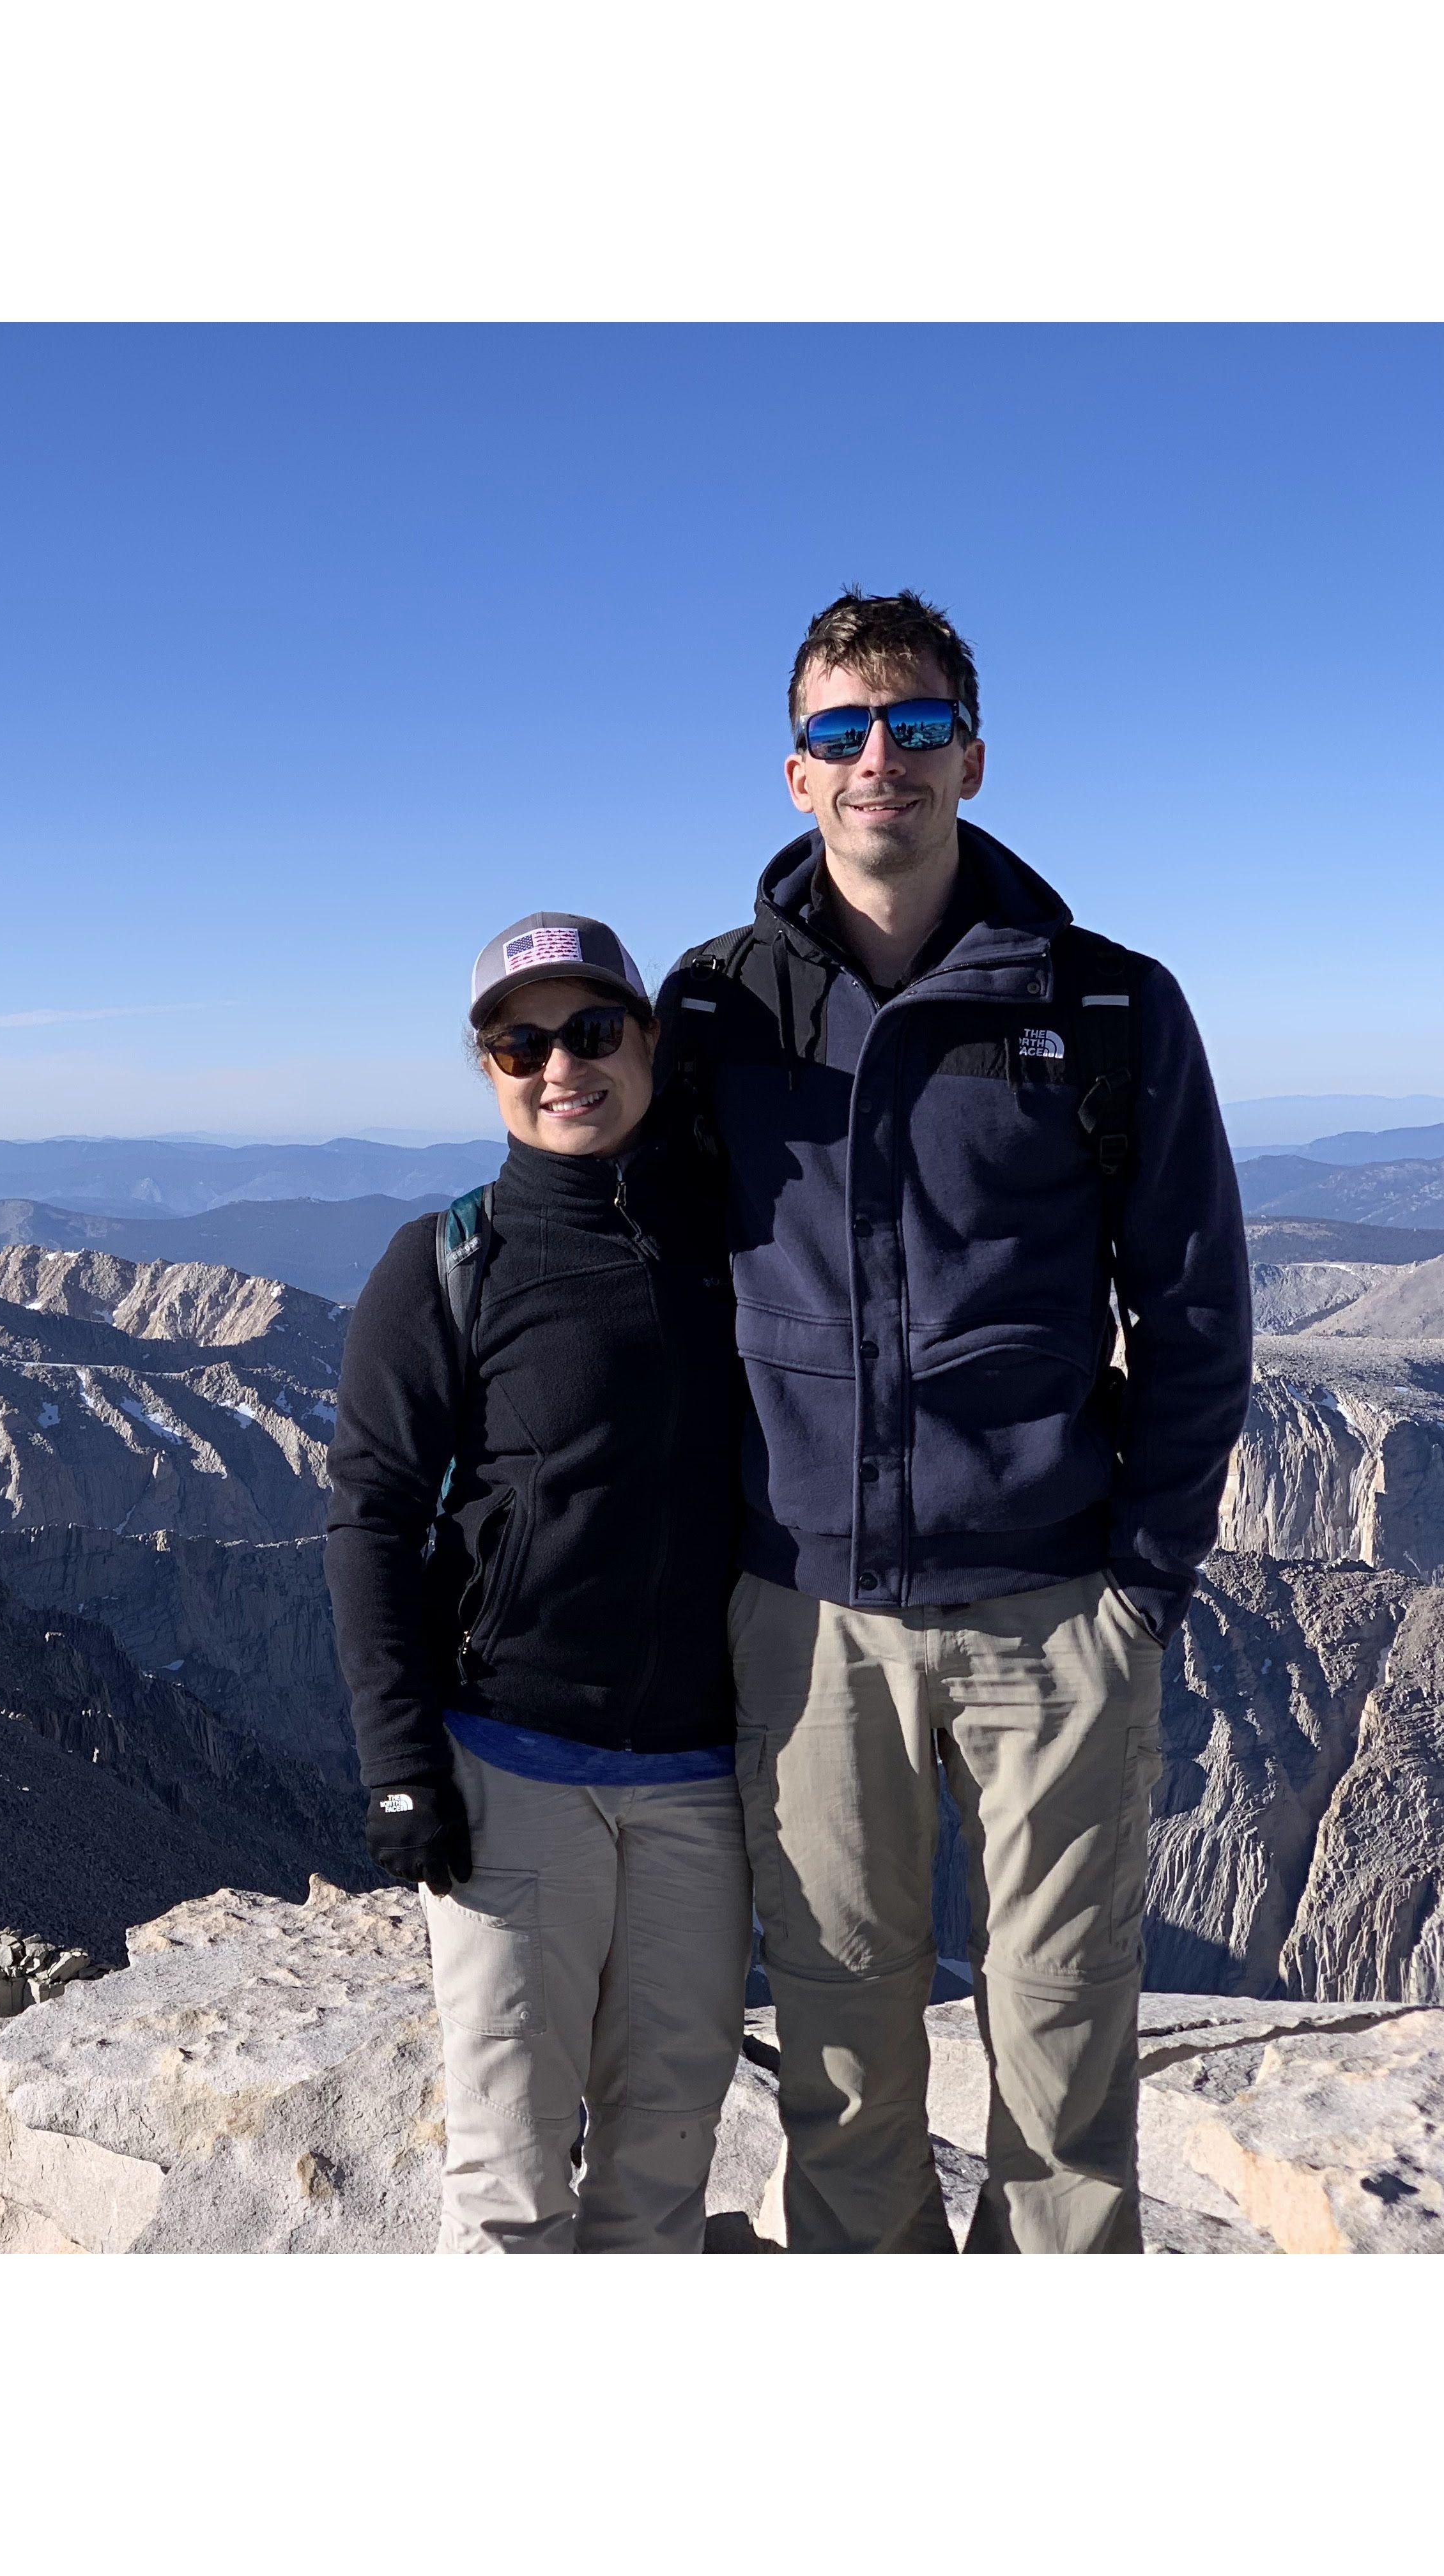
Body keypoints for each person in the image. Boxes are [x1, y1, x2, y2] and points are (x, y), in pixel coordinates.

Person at [661, 589, 1252, 2253]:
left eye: (914, 729)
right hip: (805, 1610)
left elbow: (1198, 1306)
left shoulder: (1107, 1004)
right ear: (796, 776)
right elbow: (650, 1291)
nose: (880, 762)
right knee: (841, 2052)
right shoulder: (720, 1013)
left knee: (1064, 2042)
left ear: (971, 760)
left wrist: (1142, 1584)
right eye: (844, 733)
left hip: (1054, 1606)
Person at [326, 912, 752, 2252]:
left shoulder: (741, 1243)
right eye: (520, 1042)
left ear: (648, 1040)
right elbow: (372, 1517)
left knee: (663, 2159)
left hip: (704, 1778)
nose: (559, 1065)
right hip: (512, 1773)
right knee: (509, 2177)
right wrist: (401, 1767)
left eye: (591, 1031)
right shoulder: (449, 1261)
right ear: (490, 1070)